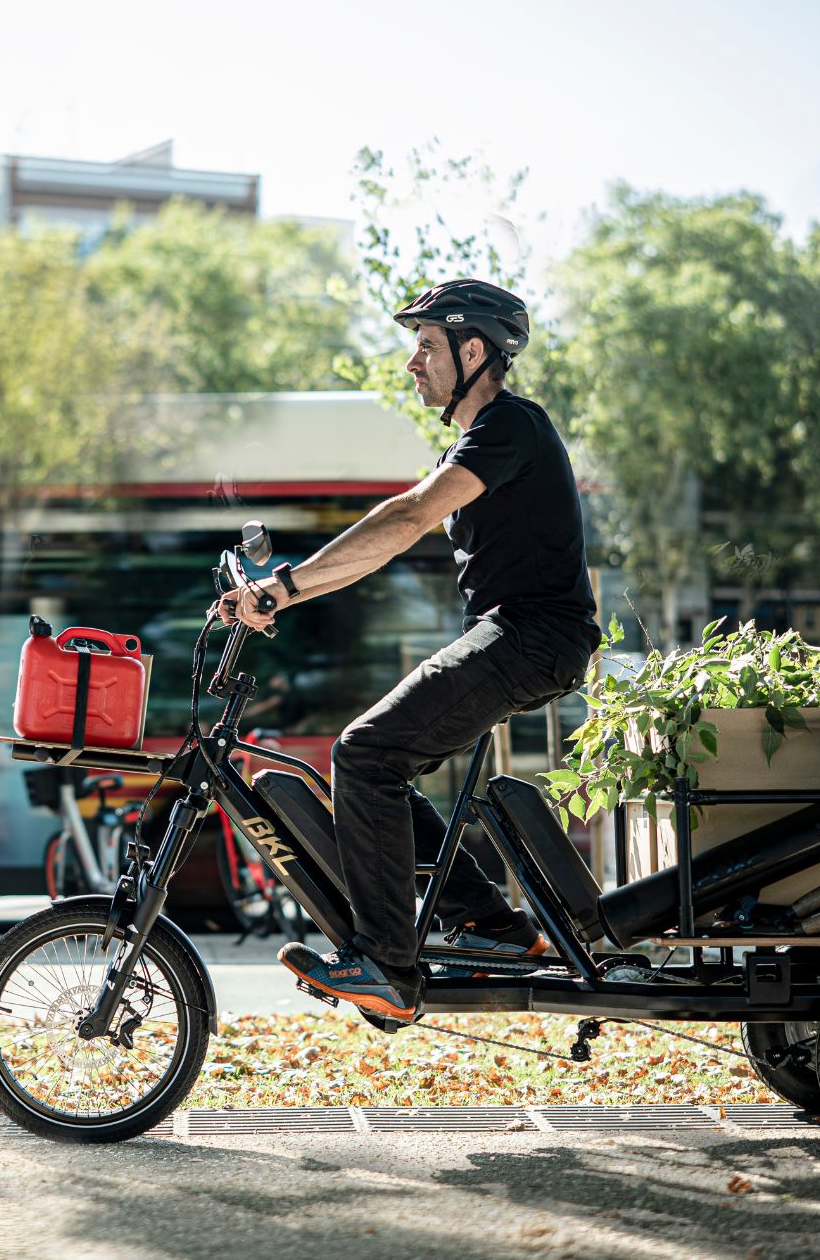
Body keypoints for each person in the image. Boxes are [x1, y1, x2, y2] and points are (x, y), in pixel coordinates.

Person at [216, 279, 600, 1021]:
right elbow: (382, 547)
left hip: (531, 636)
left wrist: (285, 587)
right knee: (383, 765)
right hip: (519, 636)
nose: (411, 363)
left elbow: (410, 515)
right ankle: (491, 926)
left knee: (363, 755)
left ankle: (388, 966)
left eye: (426, 346)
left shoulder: (510, 427)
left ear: (474, 350)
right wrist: (284, 591)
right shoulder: (484, 438)